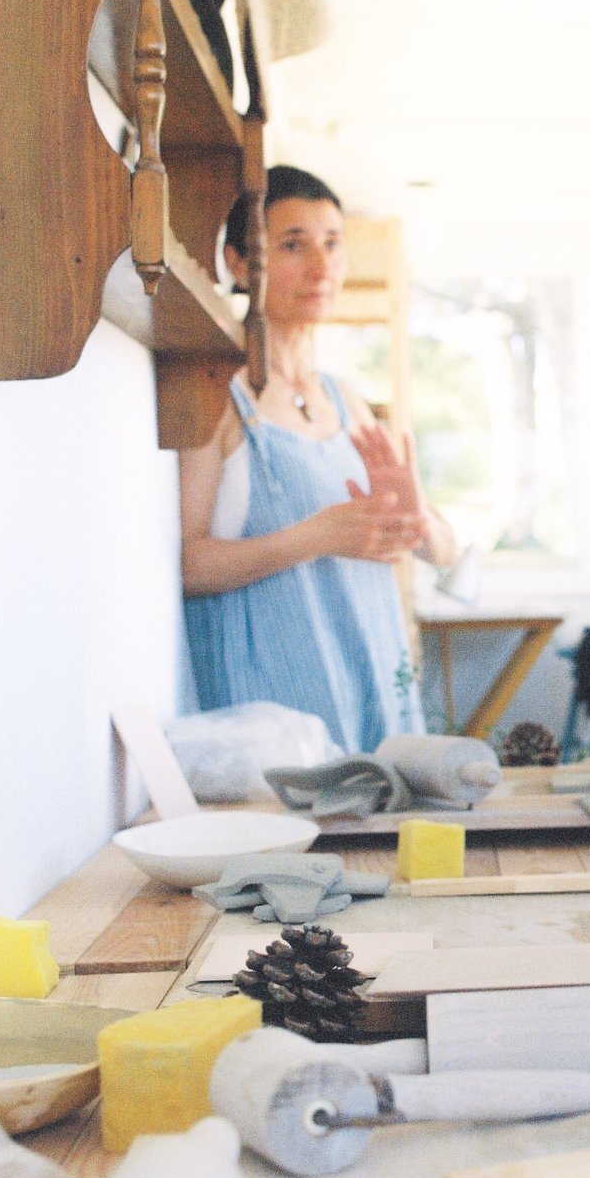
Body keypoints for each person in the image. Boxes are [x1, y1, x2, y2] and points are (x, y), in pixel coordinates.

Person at [179, 166, 455, 752]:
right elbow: (189, 566)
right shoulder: (216, 396)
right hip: (278, 713)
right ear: (237, 263)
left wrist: (417, 518)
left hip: (374, 681)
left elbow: (443, 552)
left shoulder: (347, 400)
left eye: (333, 244)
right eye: (292, 245)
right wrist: (316, 535)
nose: (322, 266)